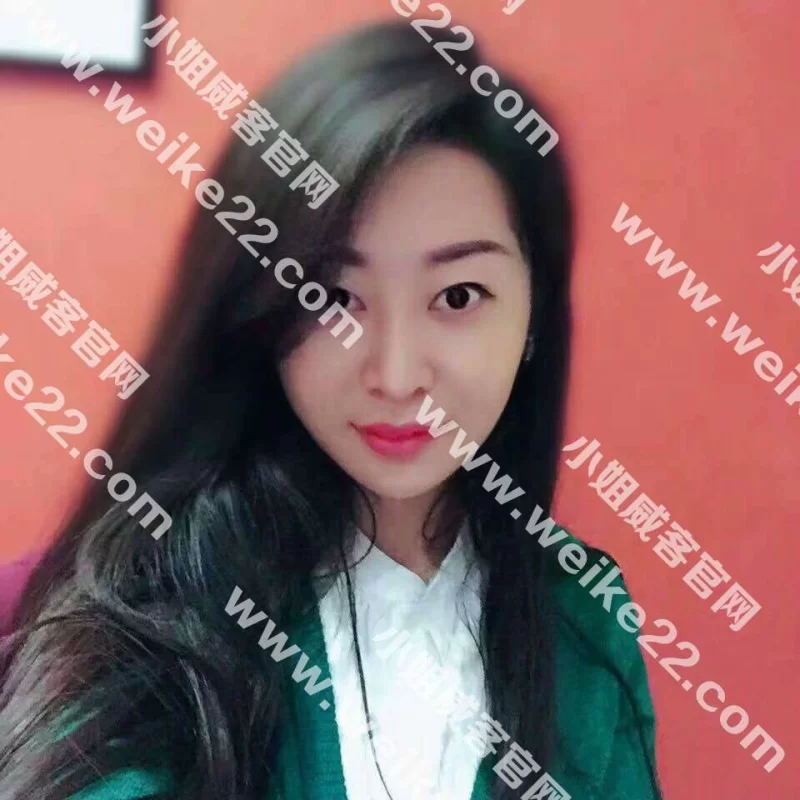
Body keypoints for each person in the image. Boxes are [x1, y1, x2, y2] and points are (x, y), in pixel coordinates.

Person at [0, 19, 662, 800]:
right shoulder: (163, 600)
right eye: (331, 298)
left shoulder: (582, 617)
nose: (395, 374)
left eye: (457, 296)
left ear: (534, 318)